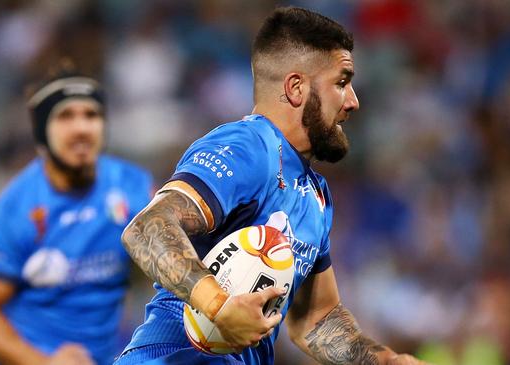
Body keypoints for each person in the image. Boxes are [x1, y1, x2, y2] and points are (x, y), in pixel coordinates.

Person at [116, 6, 431, 365]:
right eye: (342, 82)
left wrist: (387, 362)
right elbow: (146, 229)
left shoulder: (316, 196)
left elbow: (316, 320)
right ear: (296, 87)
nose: (353, 101)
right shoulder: (248, 146)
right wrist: (218, 306)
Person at [0, 64, 154, 365]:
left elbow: (166, 258)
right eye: (65, 116)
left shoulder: (133, 186)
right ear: (41, 133)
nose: (81, 128)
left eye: (92, 115)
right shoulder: (14, 210)